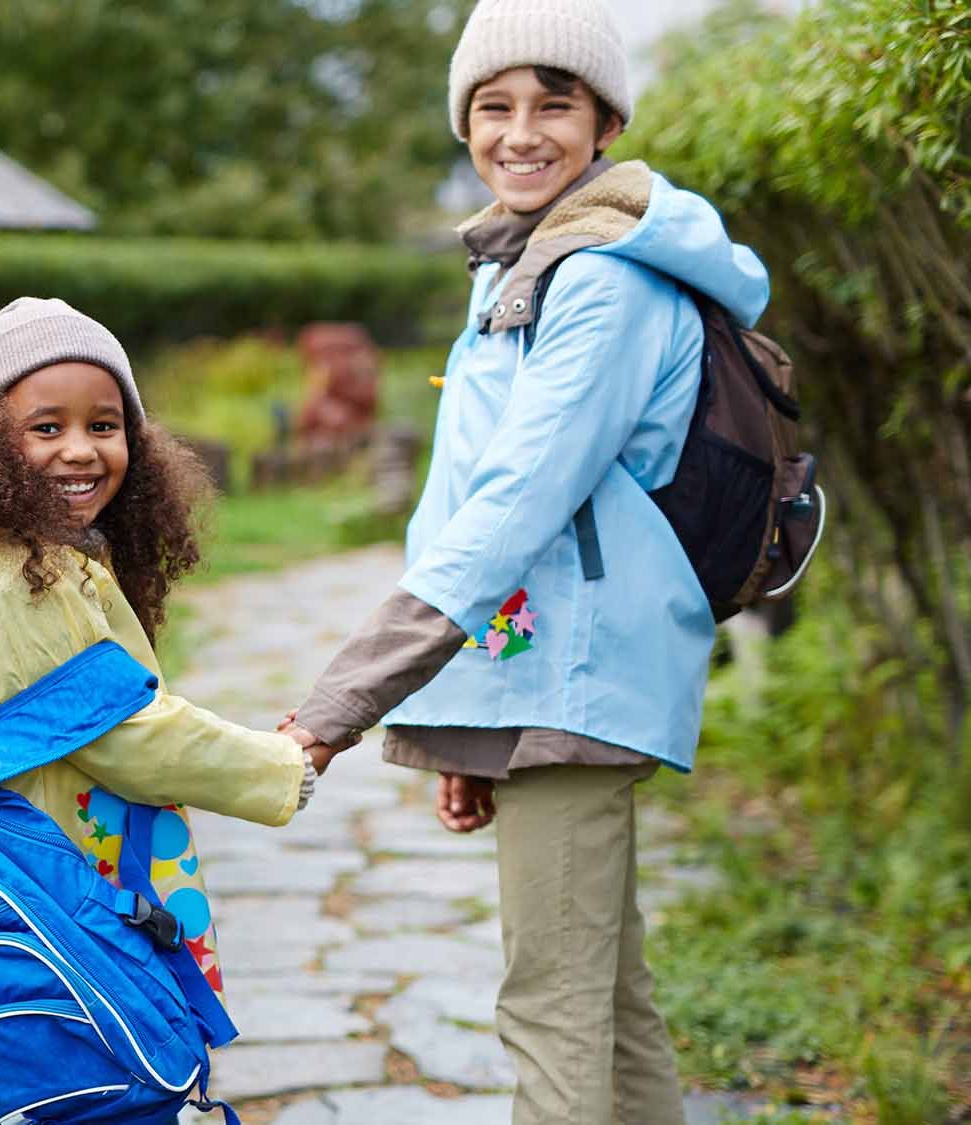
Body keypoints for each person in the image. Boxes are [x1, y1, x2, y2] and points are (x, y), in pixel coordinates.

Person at [282, 2, 771, 1121]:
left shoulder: (597, 278)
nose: (519, 132)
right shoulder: (525, 261)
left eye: (553, 103)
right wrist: (472, 714)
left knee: (548, 1011)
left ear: (603, 122)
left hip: (582, 676)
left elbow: (513, 509)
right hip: (552, 678)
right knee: (605, 1003)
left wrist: (335, 708)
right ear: (462, 125)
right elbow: (484, 502)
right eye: (492, 107)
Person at [0, 297, 328, 998]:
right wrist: (281, 767)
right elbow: (126, 737)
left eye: (104, 425)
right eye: (47, 426)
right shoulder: (14, 578)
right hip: (44, 889)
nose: (80, 448)